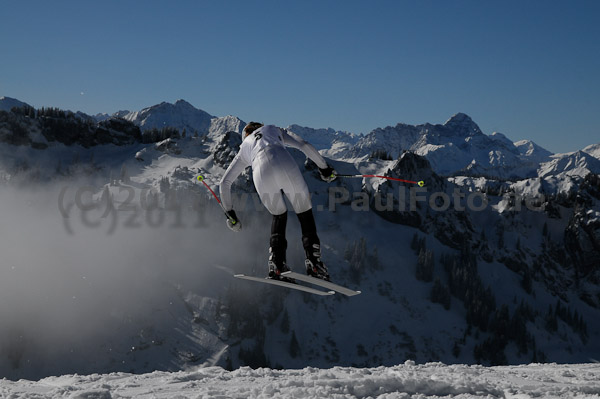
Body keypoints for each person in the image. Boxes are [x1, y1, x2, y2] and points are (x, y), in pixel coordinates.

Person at [219, 122, 336, 281]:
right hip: (282, 160)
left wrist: (230, 214)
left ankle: (277, 264)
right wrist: (325, 168)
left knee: (278, 215)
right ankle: (314, 264)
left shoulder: (244, 147)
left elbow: (224, 183)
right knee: (304, 212)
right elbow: (304, 145)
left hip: (260, 172)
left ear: (245, 135)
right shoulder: (272, 129)